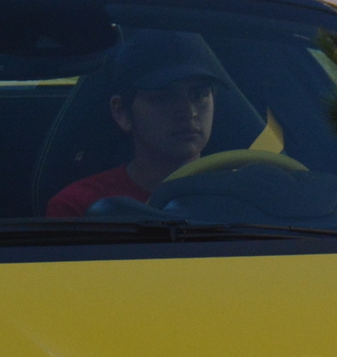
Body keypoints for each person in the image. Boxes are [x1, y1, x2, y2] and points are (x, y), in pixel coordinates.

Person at [45, 32, 231, 218]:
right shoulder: (79, 207)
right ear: (121, 112)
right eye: (162, 98)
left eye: (199, 95)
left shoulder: (239, 195)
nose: (189, 112)